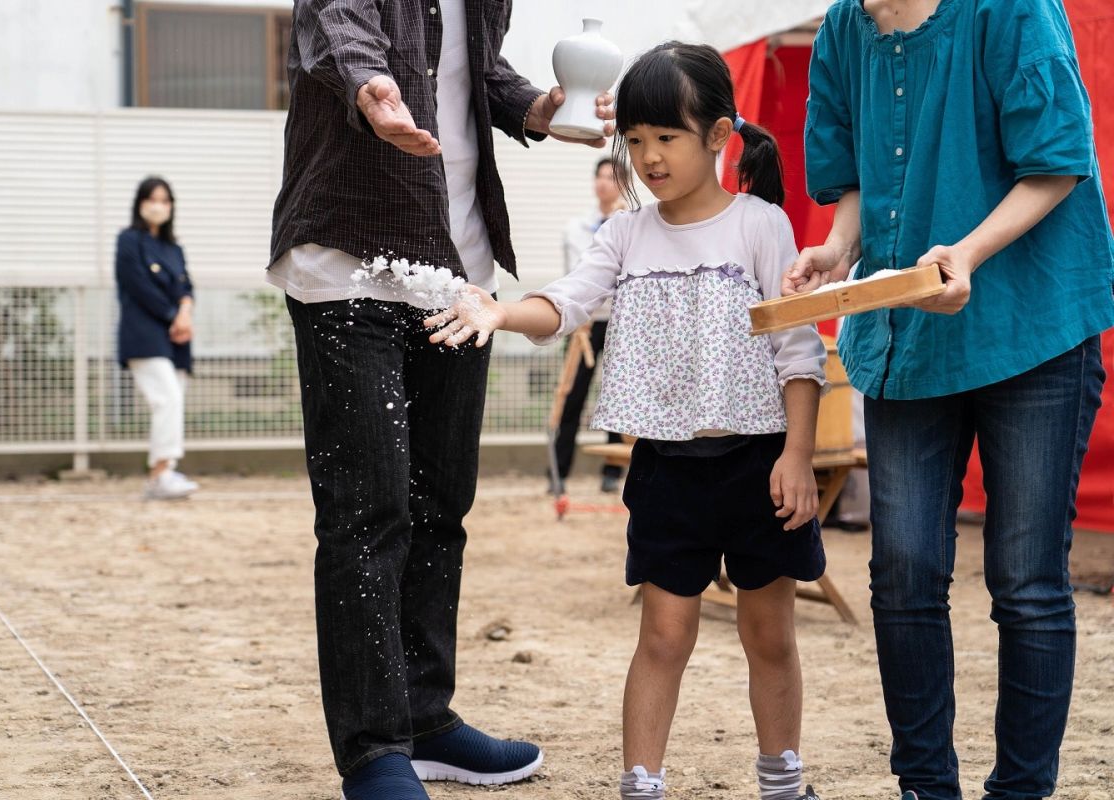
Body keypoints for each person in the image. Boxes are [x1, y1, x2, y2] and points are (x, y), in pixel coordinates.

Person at [428, 42, 826, 800]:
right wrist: (500, 310)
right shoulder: (626, 234)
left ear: (717, 136)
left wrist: (799, 455)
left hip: (760, 466)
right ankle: (641, 785)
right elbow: (566, 303)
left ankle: (783, 781)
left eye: (665, 138)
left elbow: (796, 352)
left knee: (769, 635)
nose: (648, 157)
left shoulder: (761, 225)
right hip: (667, 470)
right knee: (663, 637)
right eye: (634, 141)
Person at [264, 2, 614, 798]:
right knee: (367, 511)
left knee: (439, 503)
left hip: (459, 269)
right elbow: (338, 26)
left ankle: (425, 719)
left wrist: (539, 108)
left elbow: (474, 71)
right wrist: (374, 89)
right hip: (347, 259)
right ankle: (374, 750)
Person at [788, 1, 1114, 798]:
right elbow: (855, 184)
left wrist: (963, 254)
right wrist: (836, 248)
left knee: (1026, 577)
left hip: (1033, 325)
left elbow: (1058, 162)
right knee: (902, 569)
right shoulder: (841, 29)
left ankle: (1021, 791)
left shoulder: (1010, 9)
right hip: (909, 336)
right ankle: (924, 788)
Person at [114, 176, 198, 501]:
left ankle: (163, 473)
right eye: (153, 199)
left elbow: (185, 286)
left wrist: (185, 312)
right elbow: (138, 286)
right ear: (140, 203)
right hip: (144, 335)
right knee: (167, 399)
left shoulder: (174, 248)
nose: (158, 206)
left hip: (177, 337)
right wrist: (172, 315)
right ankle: (161, 473)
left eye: (165, 200)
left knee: (174, 402)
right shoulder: (128, 240)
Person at [552, 157, 626, 494]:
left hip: (621, 323)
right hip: (584, 324)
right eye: (600, 177)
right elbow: (578, 273)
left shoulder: (630, 223)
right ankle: (558, 472)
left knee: (617, 396)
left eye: (611, 178)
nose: (604, 183)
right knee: (572, 396)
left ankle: (613, 470)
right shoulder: (576, 227)